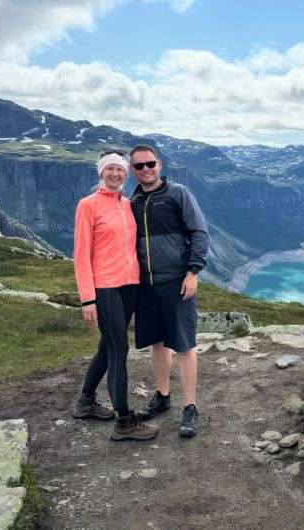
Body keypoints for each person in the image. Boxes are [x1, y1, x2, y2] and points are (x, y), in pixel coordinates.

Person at [71, 149, 159, 441]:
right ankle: (124, 421)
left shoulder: (127, 205)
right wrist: (87, 298)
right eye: (109, 169)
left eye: (120, 169)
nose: (115, 174)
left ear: (126, 174)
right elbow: (82, 255)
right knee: (118, 350)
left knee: (106, 347)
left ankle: (85, 402)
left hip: (130, 287)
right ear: (101, 173)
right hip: (106, 288)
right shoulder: (88, 205)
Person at [127, 144, 209, 437]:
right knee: (158, 342)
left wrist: (192, 272)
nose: (146, 170)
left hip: (176, 282)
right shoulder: (132, 201)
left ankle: (190, 406)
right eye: (139, 166)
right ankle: (162, 396)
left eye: (150, 164)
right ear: (132, 170)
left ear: (159, 165)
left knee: (184, 344)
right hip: (146, 285)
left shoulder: (177, 194)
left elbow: (199, 232)